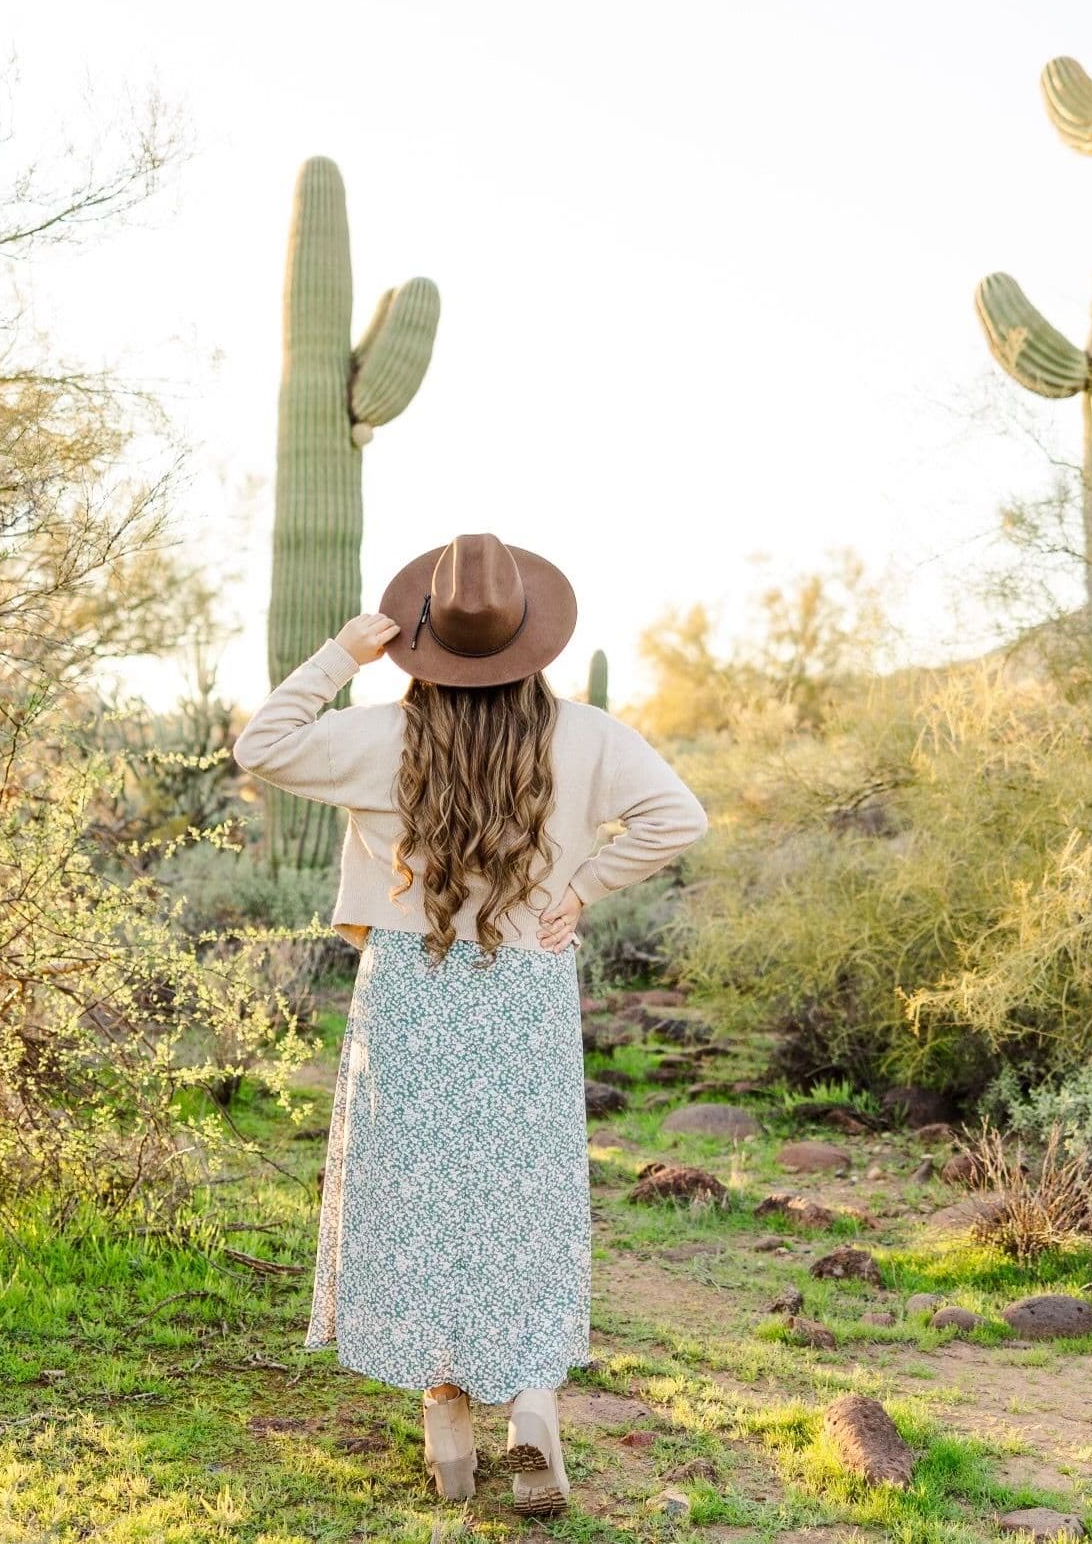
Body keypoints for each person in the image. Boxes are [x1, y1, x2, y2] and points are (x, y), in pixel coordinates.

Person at [234, 531, 707, 1515]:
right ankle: (531, 1401)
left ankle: (447, 1425)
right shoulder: (587, 736)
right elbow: (679, 818)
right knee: (521, 1193)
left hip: (412, 987)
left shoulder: (378, 737)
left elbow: (261, 746)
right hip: (525, 986)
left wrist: (342, 654)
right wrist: (583, 886)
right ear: (531, 638)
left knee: (417, 1196)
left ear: (425, 639)